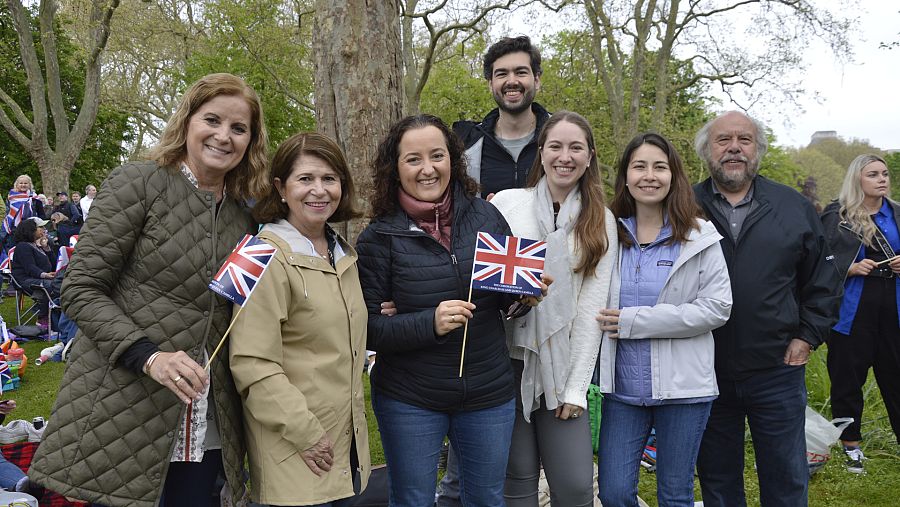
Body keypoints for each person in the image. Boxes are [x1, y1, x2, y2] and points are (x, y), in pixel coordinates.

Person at [27, 72, 270, 507]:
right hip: (124, 404)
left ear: (251, 141)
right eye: (212, 120)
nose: (223, 136)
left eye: (239, 128)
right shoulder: (138, 183)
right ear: (187, 120)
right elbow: (80, 288)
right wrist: (149, 356)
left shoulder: (244, 217)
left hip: (205, 416)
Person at [357, 114, 545, 507]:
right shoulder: (378, 237)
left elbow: (505, 300)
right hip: (410, 397)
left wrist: (524, 298)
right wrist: (430, 322)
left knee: (486, 499)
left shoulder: (485, 216)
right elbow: (369, 330)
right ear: (395, 168)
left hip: (487, 392)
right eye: (413, 159)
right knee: (412, 500)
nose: (427, 169)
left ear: (452, 159)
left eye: (437, 155)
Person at [692, 111, 841, 506]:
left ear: (757, 150)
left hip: (777, 368)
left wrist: (807, 336)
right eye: (723, 140)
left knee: (785, 474)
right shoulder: (684, 205)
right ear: (707, 150)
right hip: (704, 367)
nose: (734, 148)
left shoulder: (792, 206)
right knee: (717, 476)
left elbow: (824, 281)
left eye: (744, 140)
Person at [229, 132, 371, 505]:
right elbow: (252, 363)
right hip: (296, 447)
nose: (319, 190)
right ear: (281, 187)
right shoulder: (262, 255)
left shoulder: (343, 254)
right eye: (305, 179)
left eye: (329, 179)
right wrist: (306, 434)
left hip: (343, 446)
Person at [595, 132, 732, 506]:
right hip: (622, 390)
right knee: (614, 492)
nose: (649, 176)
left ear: (674, 176)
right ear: (625, 176)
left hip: (684, 389)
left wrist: (633, 322)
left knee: (674, 494)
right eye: (639, 166)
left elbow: (717, 307)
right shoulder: (606, 235)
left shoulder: (699, 236)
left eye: (660, 167)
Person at [488, 111, 616, 506]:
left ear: (589, 157)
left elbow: (592, 311)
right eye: (556, 146)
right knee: (517, 480)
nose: (565, 156)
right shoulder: (508, 204)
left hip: (561, 370)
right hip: (506, 363)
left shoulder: (601, 221)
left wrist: (575, 389)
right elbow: (484, 282)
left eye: (576, 148)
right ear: (541, 152)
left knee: (576, 486)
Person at [820, 154, 900, 474]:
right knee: (847, 379)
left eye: (884, 174)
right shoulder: (836, 216)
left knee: (896, 376)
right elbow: (819, 259)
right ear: (857, 179)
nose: (882, 179)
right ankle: (851, 447)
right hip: (852, 310)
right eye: (873, 174)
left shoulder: (897, 213)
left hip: (894, 306)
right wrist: (850, 267)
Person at [453, 35, 550, 198]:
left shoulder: (564, 136)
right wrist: (481, 211)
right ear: (490, 84)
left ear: (536, 80)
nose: (512, 81)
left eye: (521, 72)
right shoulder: (466, 144)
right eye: (502, 74)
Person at [10, 217, 58, 319]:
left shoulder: (37, 246)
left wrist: (46, 248)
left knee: (62, 283)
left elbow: (54, 265)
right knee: (53, 285)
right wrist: (45, 275)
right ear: (31, 230)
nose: (44, 229)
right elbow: (30, 267)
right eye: (40, 227)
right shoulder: (23, 246)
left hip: (39, 278)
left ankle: (55, 314)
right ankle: (43, 316)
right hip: (25, 280)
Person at [2, 175, 44, 248]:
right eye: (21, 183)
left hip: (31, 229)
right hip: (14, 229)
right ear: (17, 185)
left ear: (29, 185)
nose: (23, 185)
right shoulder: (11, 197)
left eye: (25, 183)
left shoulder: (35, 198)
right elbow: (8, 213)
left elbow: (42, 215)